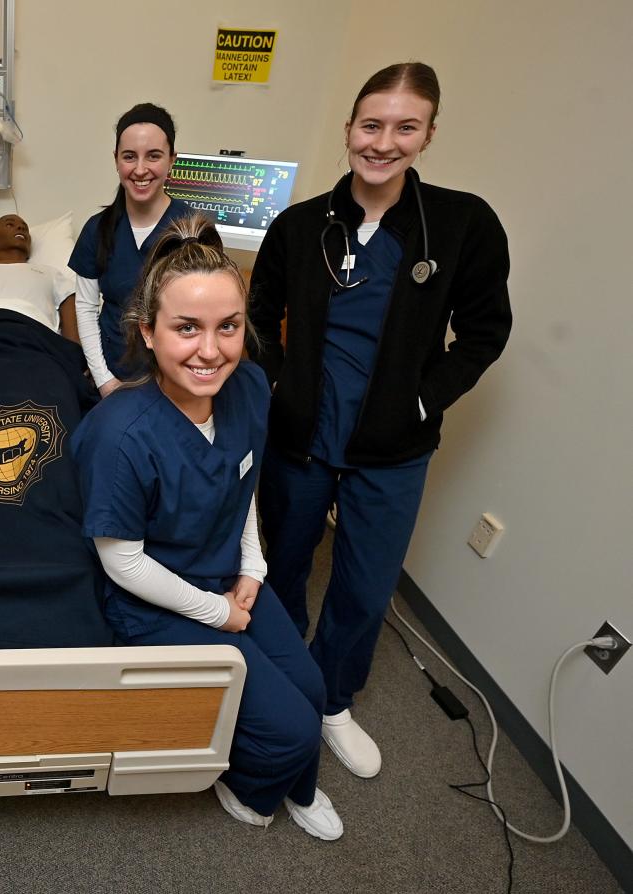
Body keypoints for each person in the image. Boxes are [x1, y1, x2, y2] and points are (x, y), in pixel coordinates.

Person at [248, 62, 512, 779]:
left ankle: (332, 700)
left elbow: (486, 332)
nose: (384, 142)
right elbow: (258, 314)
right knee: (282, 567)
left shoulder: (462, 225)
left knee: (364, 586)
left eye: (405, 127)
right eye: (372, 125)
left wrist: (424, 401)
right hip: (301, 438)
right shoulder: (301, 226)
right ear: (349, 130)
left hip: (393, 449)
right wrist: (274, 381)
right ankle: (274, 681)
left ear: (428, 133)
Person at [71, 215, 342, 840]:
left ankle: (294, 780)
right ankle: (250, 793)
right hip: (154, 602)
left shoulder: (248, 386)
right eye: (186, 328)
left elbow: (241, 481)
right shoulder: (120, 435)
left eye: (229, 327)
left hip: (228, 574)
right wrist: (219, 615)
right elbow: (123, 562)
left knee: (311, 687)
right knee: (290, 731)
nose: (211, 350)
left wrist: (253, 567)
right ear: (148, 330)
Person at [69, 103, 194, 396]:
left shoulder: (192, 230)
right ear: (116, 161)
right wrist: (104, 380)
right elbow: (85, 309)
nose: (140, 170)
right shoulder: (98, 230)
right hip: (111, 375)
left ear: (172, 160)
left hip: (174, 380)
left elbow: (201, 320)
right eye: (129, 157)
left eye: (153, 156)